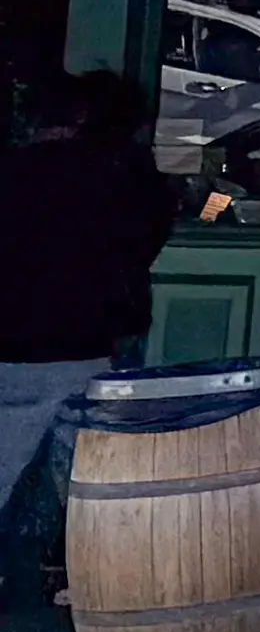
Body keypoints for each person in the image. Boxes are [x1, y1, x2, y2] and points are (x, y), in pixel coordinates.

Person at [0, 78, 181, 586]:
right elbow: (150, 231)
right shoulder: (119, 177)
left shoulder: (14, 172)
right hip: (90, 338)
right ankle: (85, 566)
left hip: (15, 338)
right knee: (91, 465)